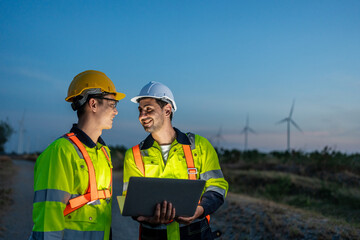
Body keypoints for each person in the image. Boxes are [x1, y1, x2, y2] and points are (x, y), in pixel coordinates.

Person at [123, 81, 228, 240]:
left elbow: (217, 188)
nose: (142, 116)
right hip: (153, 235)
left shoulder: (199, 147)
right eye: (140, 110)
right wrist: (148, 218)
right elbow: (130, 201)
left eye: (149, 109)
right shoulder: (134, 155)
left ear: (167, 110)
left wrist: (199, 210)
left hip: (194, 234)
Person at [29, 70, 125, 240]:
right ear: (93, 104)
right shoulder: (60, 152)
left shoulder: (104, 152)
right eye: (112, 104)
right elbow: (47, 223)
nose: (116, 111)